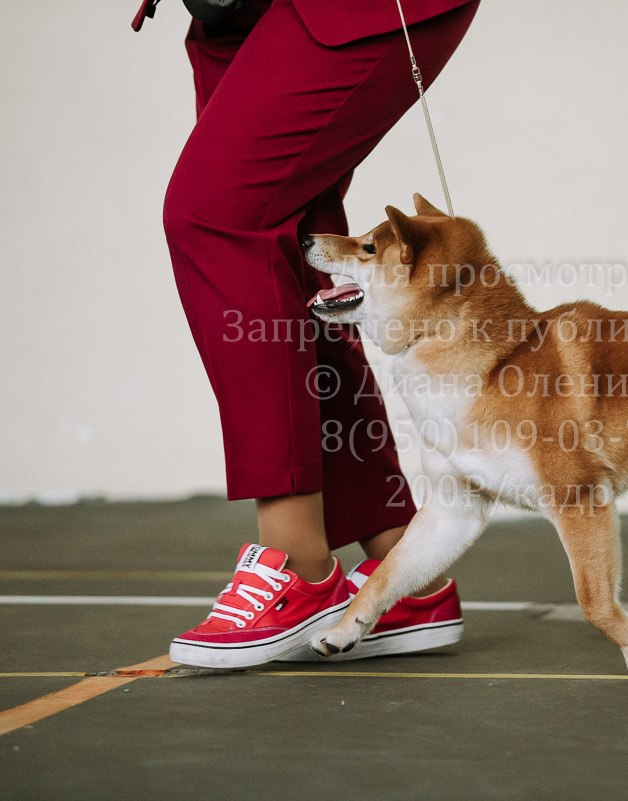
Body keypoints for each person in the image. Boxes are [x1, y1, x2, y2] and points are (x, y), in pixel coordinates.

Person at [149, 0, 480, 668]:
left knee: (218, 220)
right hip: (237, 10)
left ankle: (298, 566)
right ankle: (404, 569)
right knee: (295, 246)